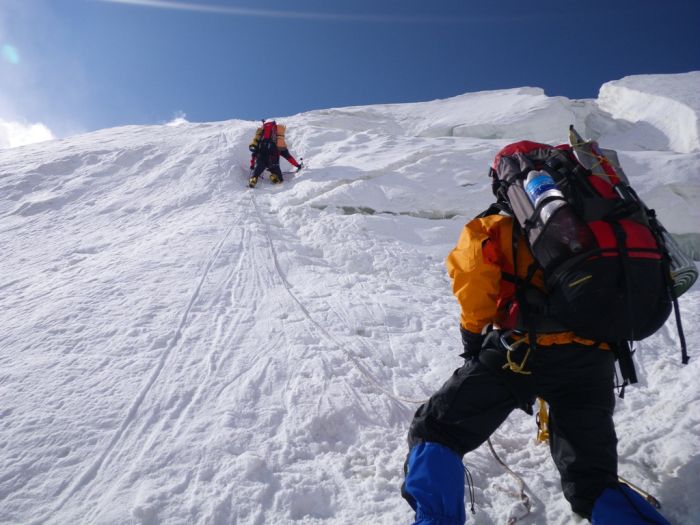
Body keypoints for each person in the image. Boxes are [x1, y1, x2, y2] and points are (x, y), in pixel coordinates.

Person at [400, 179, 671, 523]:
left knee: (437, 431)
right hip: (593, 360)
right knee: (594, 481)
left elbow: (474, 289)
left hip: (519, 355)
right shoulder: (601, 223)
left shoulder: (495, 225)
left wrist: (472, 342)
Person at [248, 120, 302, 188]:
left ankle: (254, 179)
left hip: (261, 159)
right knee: (280, 179)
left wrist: (252, 165)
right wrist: (297, 165)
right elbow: (288, 157)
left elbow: (254, 154)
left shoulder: (261, 141)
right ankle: (274, 177)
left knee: (256, 173)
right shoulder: (279, 143)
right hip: (273, 162)